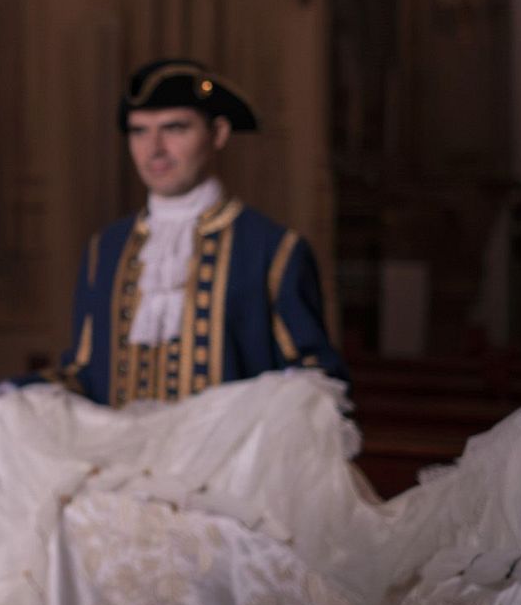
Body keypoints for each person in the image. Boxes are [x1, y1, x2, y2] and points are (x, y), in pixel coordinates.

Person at [42, 58, 345, 405]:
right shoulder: (106, 248)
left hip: (230, 456)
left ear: (218, 133)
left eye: (175, 128)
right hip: (118, 454)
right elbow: (83, 371)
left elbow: (316, 379)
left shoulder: (274, 250)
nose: (154, 148)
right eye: (139, 131)